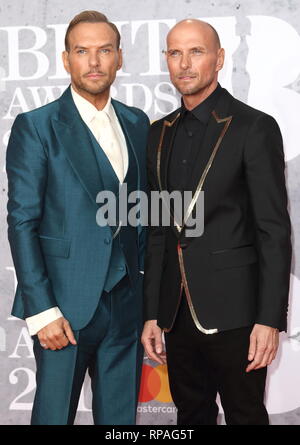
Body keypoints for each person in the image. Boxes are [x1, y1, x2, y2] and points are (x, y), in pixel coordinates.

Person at [141, 19, 291, 425]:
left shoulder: (253, 127)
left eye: (196, 51)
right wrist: (153, 312)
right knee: (190, 415)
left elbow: (273, 230)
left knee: (245, 414)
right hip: (176, 313)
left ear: (220, 58)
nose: (184, 63)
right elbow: (158, 231)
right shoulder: (157, 134)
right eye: (175, 53)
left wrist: (269, 319)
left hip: (238, 313)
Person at [7, 10, 149, 425]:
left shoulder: (137, 122)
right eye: (82, 51)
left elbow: (140, 218)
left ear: (120, 58)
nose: (94, 62)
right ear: (66, 59)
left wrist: (148, 303)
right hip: (63, 310)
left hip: (126, 307)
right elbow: (22, 222)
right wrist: (43, 311)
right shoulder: (36, 126)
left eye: (104, 50)